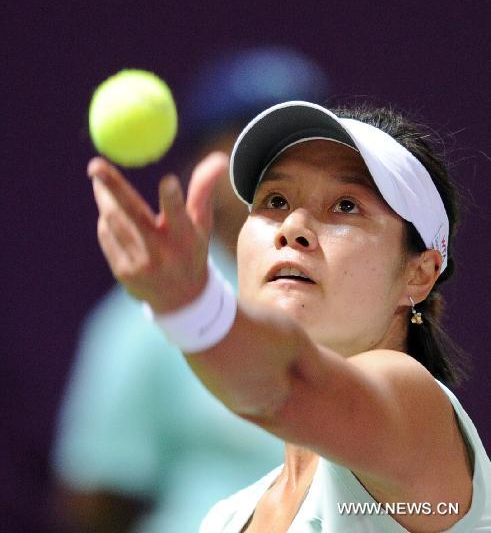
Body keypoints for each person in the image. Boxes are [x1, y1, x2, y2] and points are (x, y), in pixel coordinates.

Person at [88, 99, 490, 532]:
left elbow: (286, 387)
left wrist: (192, 306)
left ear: (419, 274)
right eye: (274, 200)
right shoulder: (224, 519)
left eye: (346, 205)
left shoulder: (414, 409)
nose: (292, 226)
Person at [52, 47, 329, 532]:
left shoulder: (354, 300)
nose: (280, 167)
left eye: (305, 148)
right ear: (204, 162)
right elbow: (97, 499)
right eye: (251, 143)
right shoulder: (139, 320)